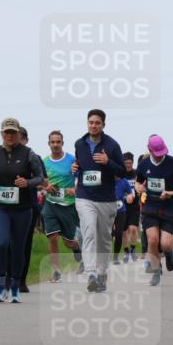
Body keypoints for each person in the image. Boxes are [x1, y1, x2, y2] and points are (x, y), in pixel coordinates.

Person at [0, 118, 44, 303]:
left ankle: (16, 287)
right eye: (6, 132)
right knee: (2, 243)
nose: (9, 135)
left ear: (18, 134)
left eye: (13, 132)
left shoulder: (29, 154)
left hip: (22, 209)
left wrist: (27, 182)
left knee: (18, 247)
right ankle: (1, 286)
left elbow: (40, 177)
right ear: (2, 134)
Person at [71, 109, 126, 293]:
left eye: (97, 123)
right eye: (91, 122)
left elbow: (122, 172)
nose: (93, 125)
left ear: (103, 125)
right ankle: (91, 273)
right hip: (84, 196)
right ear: (87, 123)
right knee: (89, 233)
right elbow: (80, 166)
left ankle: (102, 275)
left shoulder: (112, 145)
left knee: (103, 239)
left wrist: (107, 162)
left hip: (106, 199)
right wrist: (75, 168)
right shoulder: (79, 143)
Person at [134, 135, 173, 287]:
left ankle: (169, 254)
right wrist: (137, 187)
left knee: (165, 244)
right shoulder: (144, 164)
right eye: (156, 154)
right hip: (150, 206)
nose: (159, 157)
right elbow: (138, 181)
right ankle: (156, 270)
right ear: (149, 150)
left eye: (162, 154)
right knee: (152, 240)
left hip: (168, 207)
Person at [42, 130, 83, 283]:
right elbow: (40, 181)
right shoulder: (44, 162)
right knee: (52, 237)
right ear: (49, 144)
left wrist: (76, 189)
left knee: (67, 242)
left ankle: (76, 246)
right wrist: (46, 187)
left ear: (62, 143)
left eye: (58, 142)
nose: (55, 145)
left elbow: (82, 178)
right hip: (50, 203)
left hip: (68, 205)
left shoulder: (72, 160)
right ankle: (56, 271)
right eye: (53, 142)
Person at [12, 127, 46, 292]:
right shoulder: (2, 156)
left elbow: (43, 181)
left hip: (29, 205)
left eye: (19, 137)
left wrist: (28, 182)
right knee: (6, 243)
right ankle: (6, 277)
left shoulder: (35, 157)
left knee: (25, 243)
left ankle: (21, 280)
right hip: (6, 206)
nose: (15, 140)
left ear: (25, 139)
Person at [120, 153, 141, 263]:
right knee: (123, 232)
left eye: (130, 163)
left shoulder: (137, 173)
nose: (128, 165)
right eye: (126, 163)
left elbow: (141, 186)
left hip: (134, 205)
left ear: (132, 163)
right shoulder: (120, 174)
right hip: (122, 205)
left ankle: (132, 251)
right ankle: (126, 252)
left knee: (133, 229)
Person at [112, 174, 136, 264]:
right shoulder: (106, 179)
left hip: (121, 209)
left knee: (119, 234)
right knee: (107, 234)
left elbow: (131, 193)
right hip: (107, 209)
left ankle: (115, 257)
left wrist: (130, 196)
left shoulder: (124, 181)